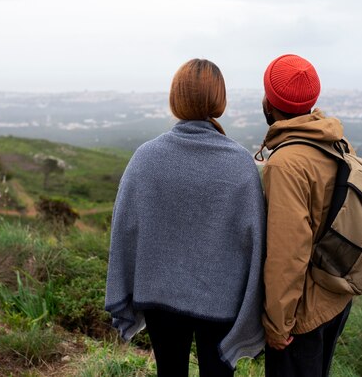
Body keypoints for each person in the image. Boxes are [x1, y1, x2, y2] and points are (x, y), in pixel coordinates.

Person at [105, 59, 266, 377]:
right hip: (222, 298)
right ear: (219, 101)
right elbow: (256, 242)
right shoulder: (240, 164)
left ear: (175, 98)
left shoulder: (146, 157)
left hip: (159, 295)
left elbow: (124, 230)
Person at [255, 54, 353, 377]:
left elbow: (289, 252)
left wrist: (278, 323)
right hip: (336, 295)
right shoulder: (335, 140)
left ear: (269, 101)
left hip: (303, 315)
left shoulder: (286, 164)